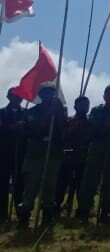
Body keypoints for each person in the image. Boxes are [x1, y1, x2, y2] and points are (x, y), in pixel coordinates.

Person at [75, 84, 110, 224]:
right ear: (104, 96)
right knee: (90, 181)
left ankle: (106, 212)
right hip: (97, 149)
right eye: (109, 93)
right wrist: (107, 126)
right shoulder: (97, 110)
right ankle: (84, 211)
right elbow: (92, 128)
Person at [16, 82, 67, 229]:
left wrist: (57, 114)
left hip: (52, 155)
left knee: (50, 188)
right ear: (40, 95)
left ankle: (47, 218)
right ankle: (24, 218)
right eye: (45, 92)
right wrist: (47, 115)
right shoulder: (32, 112)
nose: (49, 95)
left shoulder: (59, 111)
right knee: (31, 188)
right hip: (35, 155)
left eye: (51, 92)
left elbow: (64, 129)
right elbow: (35, 130)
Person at [56, 95, 91, 217]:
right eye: (81, 105)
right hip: (68, 157)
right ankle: (57, 208)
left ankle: (82, 210)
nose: (84, 107)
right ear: (75, 106)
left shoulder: (90, 121)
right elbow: (63, 136)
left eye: (86, 105)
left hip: (83, 158)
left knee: (81, 187)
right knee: (62, 185)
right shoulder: (69, 121)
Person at [0, 88, 27, 224]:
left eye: (19, 96)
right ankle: (2, 214)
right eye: (14, 96)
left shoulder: (25, 114)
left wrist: (23, 129)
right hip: (4, 154)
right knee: (2, 184)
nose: (17, 98)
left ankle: (20, 212)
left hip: (20, 154)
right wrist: (11, 128)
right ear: (8, 97)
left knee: (19, 185)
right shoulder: (2, 113)